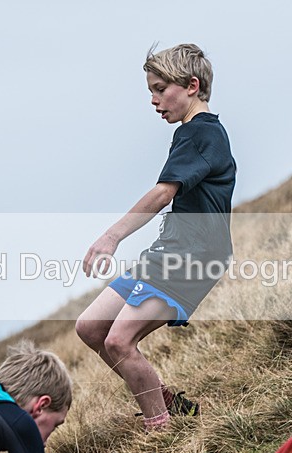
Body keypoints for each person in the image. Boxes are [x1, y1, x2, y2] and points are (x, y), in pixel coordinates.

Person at [75, 43, 236, 431]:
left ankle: (161, 429)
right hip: (170, 251)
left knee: (118, 342)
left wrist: (111, 236)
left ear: (192, 86)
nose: (153, 99)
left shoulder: (202, 134)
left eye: (160, 89)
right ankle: (163, 400)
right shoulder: (190, 134)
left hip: (195, 257)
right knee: (91, 327)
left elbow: (164, 191)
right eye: (151, 90)